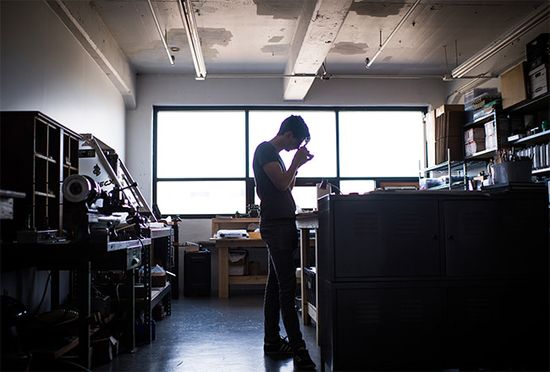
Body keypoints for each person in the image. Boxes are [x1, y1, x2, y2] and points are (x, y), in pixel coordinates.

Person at [252, 115, 316, 370]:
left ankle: (272, 342)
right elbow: (280, 185)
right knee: (288, 290)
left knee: (276, 286)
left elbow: (286, 185)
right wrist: (295, 161)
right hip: (276, 226)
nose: (295, 146)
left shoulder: (274, 155)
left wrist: (296, 166)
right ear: (288, 134)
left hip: (281, 225)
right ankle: (300, 350)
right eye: (296, 141)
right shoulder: (266, 149)